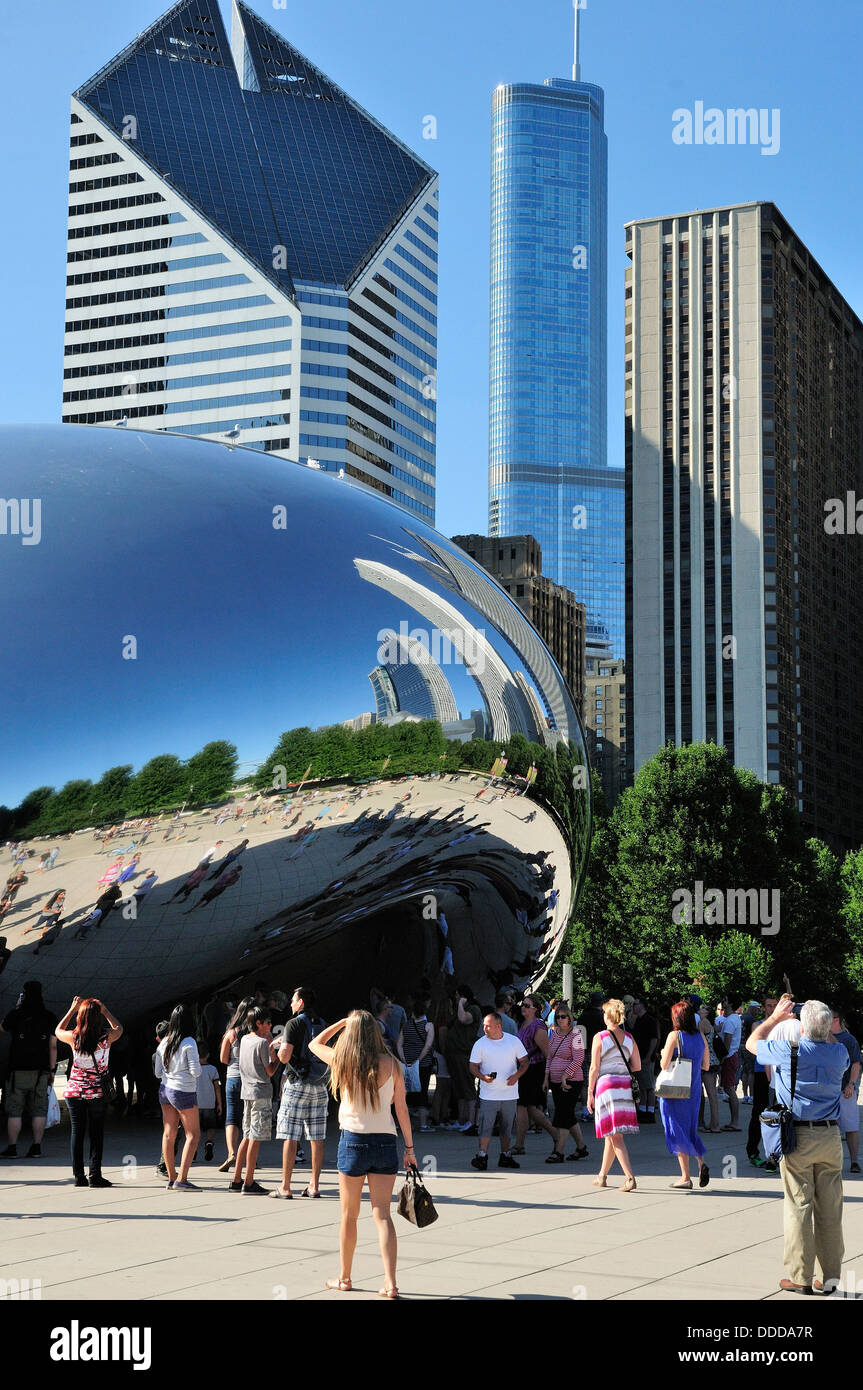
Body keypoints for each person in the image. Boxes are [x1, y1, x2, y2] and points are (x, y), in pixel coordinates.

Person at [309, 1010, 415, 1298]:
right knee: (382, 1214)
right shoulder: (392, 1064)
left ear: (351, 1033)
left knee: (349, 1215)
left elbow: (314, 1043)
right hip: (384, 1142)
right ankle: (390, 1283)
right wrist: (410, 1148)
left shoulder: (343, 1061)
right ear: (376, 1032)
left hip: (353, 1141)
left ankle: (344, 1277)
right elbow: (401, 1109)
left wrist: (342, 1022)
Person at [746, 995, 848, 1294]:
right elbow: (825, 1037)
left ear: (802, 1027)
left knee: (798, 1207)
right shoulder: (839, 1053)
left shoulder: (789, 1050)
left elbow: (753, 1043)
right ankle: (829, 1278)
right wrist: (818, 1024)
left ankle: (801, 1276)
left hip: (798, 1137)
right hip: (830, 1136)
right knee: (830, 1210)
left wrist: (775, 1018)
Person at [55, 997, 123, 1187]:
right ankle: (95, 1175)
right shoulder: (106, 1037)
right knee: (96, 1134)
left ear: (81, 1016)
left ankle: (79, 1176)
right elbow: (120, 1028)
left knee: (77, 1133)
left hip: (74, 1091)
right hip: (96, 1093)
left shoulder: (73, 1037)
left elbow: (57, 1030)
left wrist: (72, 1009)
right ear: (97, 1017)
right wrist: (105, 1010)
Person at [272, 987, 328, 1199]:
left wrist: (278, 1046)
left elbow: (285, 1057)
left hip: (297, 1084)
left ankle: (285, 1187)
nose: (291, 1004)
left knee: (290, 1135)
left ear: (301, 1002)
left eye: (293, 1000)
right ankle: (314, 1185)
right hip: (319, 1084)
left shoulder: (293, 1023)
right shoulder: (322, 1023)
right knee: (317, 1137)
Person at [0, 981, 58, 1158]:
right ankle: (36, 1147)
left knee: (15, 1111)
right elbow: (53, 1046)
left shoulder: (17, 1014)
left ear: (24, 995)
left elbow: (2, 1027)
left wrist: (16, 1009)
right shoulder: (49, 1017)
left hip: (17, 1071)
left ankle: (12, 1148)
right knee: (39, 1110)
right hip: (41, 1071)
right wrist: (52, 1070)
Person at [587, 998, 640, 1190]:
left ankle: (630, 1177)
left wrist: (589, 1093)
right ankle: (602, 1176)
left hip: (606, 1085)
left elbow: (594, 1068)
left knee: (615, 1136)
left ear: (607, 1016)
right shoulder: (629, 1038)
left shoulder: (600, 1037)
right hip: (624, 1086)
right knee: (612, 1133)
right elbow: (637, 1065)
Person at [658, 1000, 710, 1189]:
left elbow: (664, 1065)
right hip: (694, 1090)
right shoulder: (700, 1037)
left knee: (676, 1130)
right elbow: (706, 1065)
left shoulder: (674, 1036)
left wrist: (665, 1052)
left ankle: (685, 1177)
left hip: (674, 1091)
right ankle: (701, 1162)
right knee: (689, 1130)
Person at [468, 1012, 528, 1169]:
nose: (485, 1028)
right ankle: (482, 1155)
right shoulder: (480, 1044)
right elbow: (472, 1066)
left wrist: (516, 1075)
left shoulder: (513, 1041)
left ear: (498, 1026)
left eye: (488, 1025)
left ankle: (505, 1154)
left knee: (507, 1126)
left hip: (509, 1093)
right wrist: (482, 1077)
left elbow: (525, 1061)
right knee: (485, 1126)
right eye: (484, 1025)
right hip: (489, 1094)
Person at [155, 1004, 202, 1191]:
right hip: (183, 1091)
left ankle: (172, 1176)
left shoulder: (163, 1042)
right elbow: (196, 1071)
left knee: (169, 1133)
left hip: (165, 1089)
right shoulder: (189, 1042)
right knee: (193, 1134)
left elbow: (158, 1073)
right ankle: (182, 1179)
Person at [231, 1007, 278, 1194]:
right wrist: (279, 1056)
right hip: (261, 1093)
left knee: (247, 1135)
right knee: (255, 1139)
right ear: (259, 1023)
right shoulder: (261, 1043)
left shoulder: (244, 1039)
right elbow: (270, 1071)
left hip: (247, 1092)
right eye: (267, 1022)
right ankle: (249, 1182)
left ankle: (236, 1179)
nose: (270, 1025)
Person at [543, 1004, 589, 1162]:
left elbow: (578, 1059)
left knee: (562, 1115)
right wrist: (546, 1077)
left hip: (571, 1081)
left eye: (563, 1016)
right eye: (557, 1017)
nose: (560, 1019)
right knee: (568, 1115)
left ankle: (558, 1151)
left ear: (569, 1018)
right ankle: (581, 1147)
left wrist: (565, 1075)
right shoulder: (554, 1034)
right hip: (555, 1081)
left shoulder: (576, 1035)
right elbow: (550, 1057)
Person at [513, 994, 556, 1152]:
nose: (523, 1007)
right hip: (523, 1069)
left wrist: (546, 1077)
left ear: (536, 1009)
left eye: (527, 1005)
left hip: (533, 1070)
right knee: (529, 1108)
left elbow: (547, 1054)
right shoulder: (523, 1023)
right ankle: (556, 1135)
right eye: (522, 1004)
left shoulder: (538, 1026)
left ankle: (519, 1145)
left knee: (522, 1106)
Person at [220, 996, 254, 1172]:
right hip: (251, 1080)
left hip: (233, 1078)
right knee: (248, 1118)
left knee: (232, 1116)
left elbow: (223, 1059)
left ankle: (231, 1153)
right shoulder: (258, 1032)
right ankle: (247, 1155)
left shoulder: (231, 1033)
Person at [444, 985, 482, 1131]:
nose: (455, 998)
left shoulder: (473, 1009)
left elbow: (463, 1019)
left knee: (467, 1088)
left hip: (464, 1053)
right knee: (459, 1089)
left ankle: (471, 1121)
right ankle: (462, 1119)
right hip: (454, 1054)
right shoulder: (460, 1009)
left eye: (457, 996)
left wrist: (460, 1004)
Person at [831, 1011, 862, 1174]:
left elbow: (856, 1064)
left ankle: (854, 1161)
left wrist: (851, 1084)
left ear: (836, 1020)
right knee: (829, 1128)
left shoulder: (849, 1039)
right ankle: (832, 1162)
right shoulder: (821, 1037)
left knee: (851, 1127)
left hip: (845, 1091)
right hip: (828, 1091)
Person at [747, 996, 777, 1165]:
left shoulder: (782, 1025)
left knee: (777, 1113)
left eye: (775, 1005)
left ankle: (775, 1153)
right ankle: (753, 1151)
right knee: (759, 1112)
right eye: (769, 1006)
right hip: (761, 1073)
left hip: (779, 1073)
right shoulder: (758, 1025)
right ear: (764, 1008)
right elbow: (757, 1047)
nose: (772, 1008)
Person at [402, 995, 435, 1132]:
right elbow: (428, 1046)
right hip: (423, 1064)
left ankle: (406, 1125)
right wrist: (419, 1060)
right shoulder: (428, 1026)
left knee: (408, 1092)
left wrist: (405, 1060)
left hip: (408, 1063)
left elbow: (399, 1044)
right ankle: (423, 1125)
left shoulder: (406, 1025)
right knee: (422, 1093)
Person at [716, 999, 743, 1132]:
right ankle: (734, 1122)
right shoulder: (734, 1018)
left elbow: (726, 1043)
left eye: (726, 1000)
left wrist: (721, 1059)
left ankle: (735, 1122)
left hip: (728, 1057)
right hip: (731, 1055)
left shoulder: (731, 1020)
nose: (724, 1002)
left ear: (731, 1004)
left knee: (730, 1089)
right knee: (729, 1088)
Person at [630, 997, 658, 1123]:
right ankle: (642, 1110)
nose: (633, 1006)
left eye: (635, 1004)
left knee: (648, 1086)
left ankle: (650, 1112)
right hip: (639, 1057)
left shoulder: (650, 1020)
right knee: (642, 1085)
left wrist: (648, 1056)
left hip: (645, 1058)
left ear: (641, 1005)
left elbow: (654, 1039)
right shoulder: (638, 1020)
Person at [698, 1001, 722, 1135]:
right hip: (713, 1061)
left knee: (710, 1094)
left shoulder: (703, 1023)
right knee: (711, 1094)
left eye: (702, 1010)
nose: (699, 1011)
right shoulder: (710, 1024)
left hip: (707, 1062)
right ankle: (714, 1123)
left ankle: (714, 1124)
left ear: (706, 1013)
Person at [195, 1041, 222, 1162]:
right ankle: (209, 1143)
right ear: (208, 1055)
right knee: (210, 1126)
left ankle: (193, 1149)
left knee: (196, 1128)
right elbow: (217, 1087)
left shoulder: (193, 1070)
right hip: (209, 1104)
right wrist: (219, 1103)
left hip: (194, 1104)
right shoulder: (213, 1069)